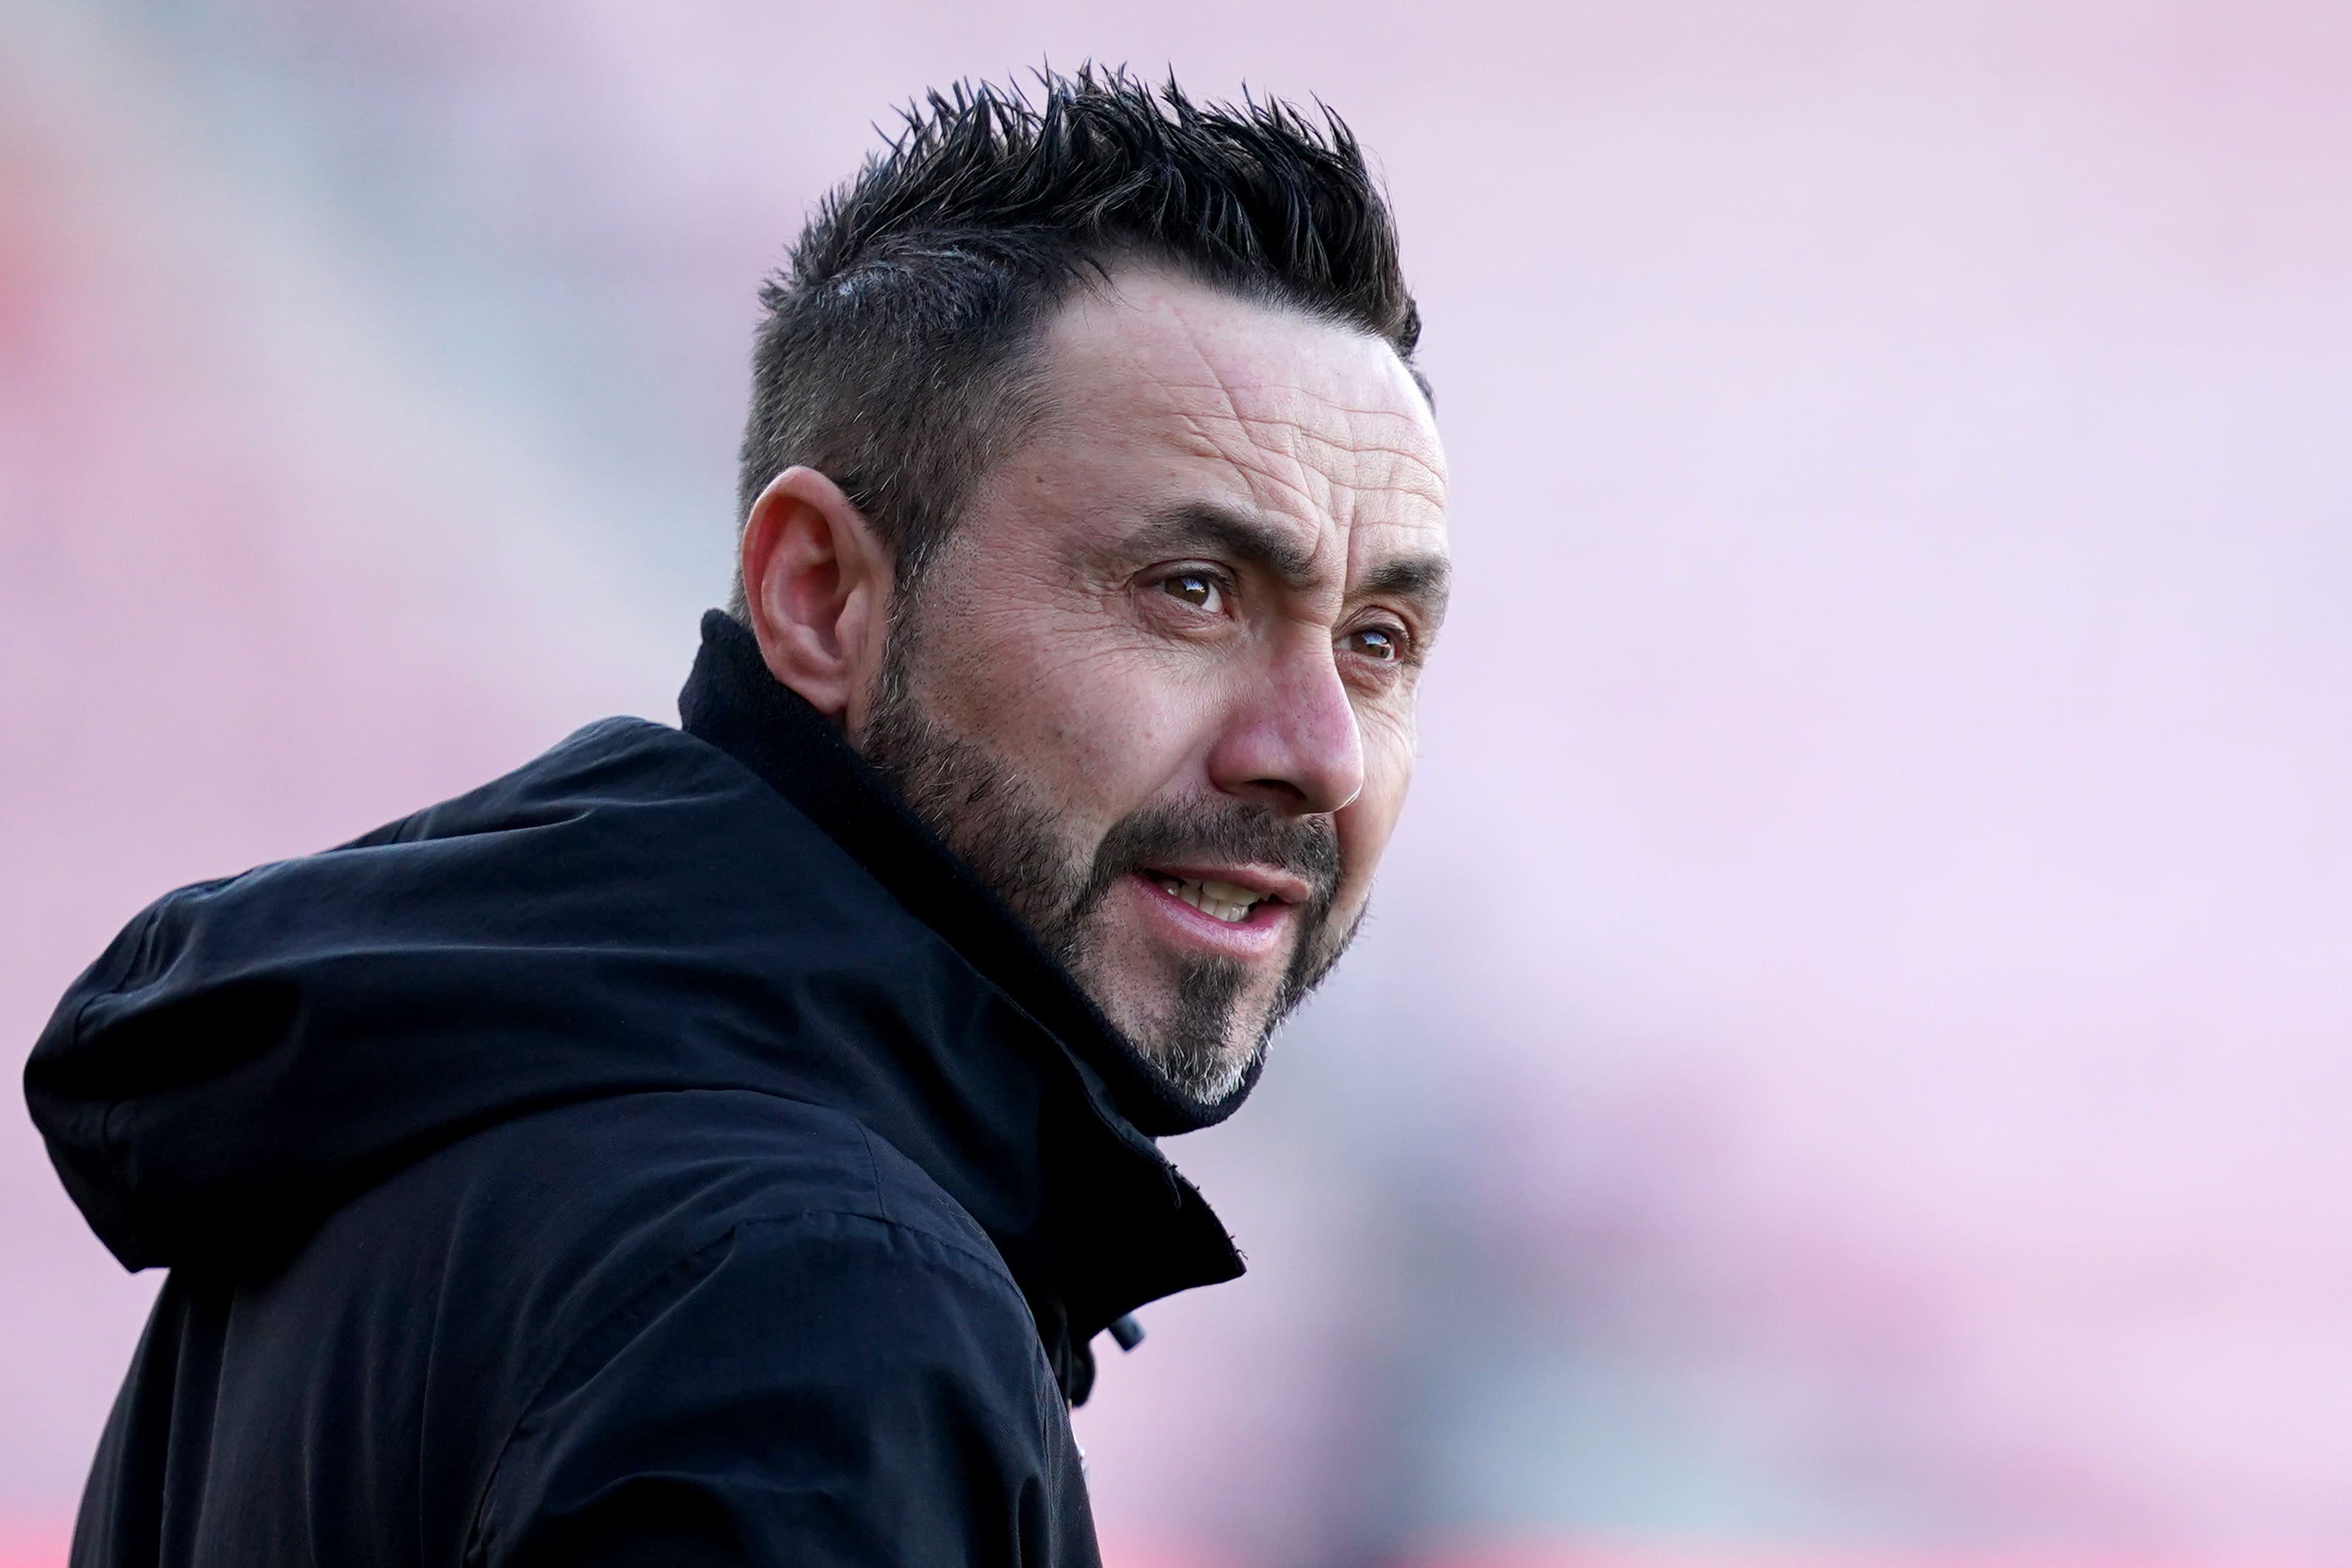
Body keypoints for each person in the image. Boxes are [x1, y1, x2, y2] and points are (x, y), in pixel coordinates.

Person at [25, 68, 1449, 1567]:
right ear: (820, 595)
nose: (1321, 754)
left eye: (1376, 640)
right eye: (1191, 591)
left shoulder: (415, 1120)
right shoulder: (811, 1298)